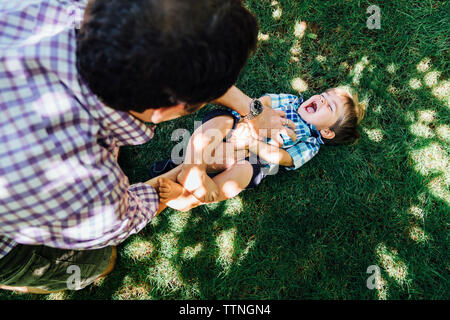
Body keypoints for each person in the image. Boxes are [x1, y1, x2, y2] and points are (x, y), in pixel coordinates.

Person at [0, 0, 295, 293]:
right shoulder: (91, 188)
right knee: (100, 261)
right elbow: (129, 216)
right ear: (170, 110)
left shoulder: (59, 8)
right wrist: (192, 167)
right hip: (11, 246)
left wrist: (252, 109)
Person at [153, 88, 364, 212]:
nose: (321, 99)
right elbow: (262, 101)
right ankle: (192, 169)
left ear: (327, 132)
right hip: (237, 126)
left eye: (330, 107)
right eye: (324, 95)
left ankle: (187, 199)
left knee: (244, 172)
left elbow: (282, 158)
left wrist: (252, 144)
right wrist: (252, 119)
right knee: (222, 120)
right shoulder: (291, 100)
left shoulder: (309, 143)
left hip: (252, 158)